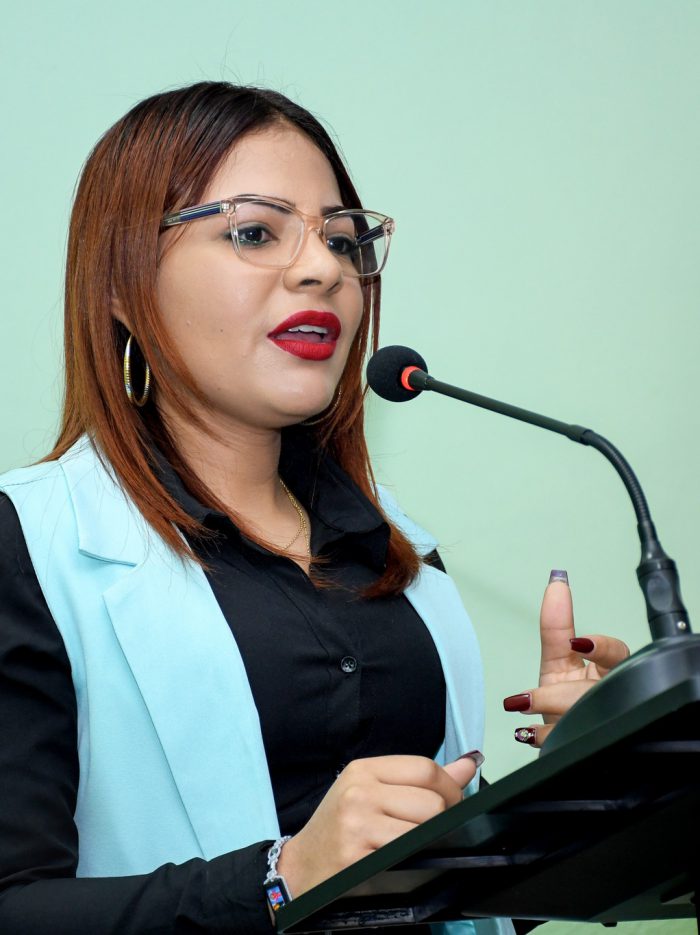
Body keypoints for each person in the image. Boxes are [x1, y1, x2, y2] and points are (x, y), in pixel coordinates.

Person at [0, 82, 628, 934]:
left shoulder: (398, 548)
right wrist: (280, 878)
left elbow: (448, 892)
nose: (324, 269)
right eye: (255, 231)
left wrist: (582, 782)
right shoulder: (29, 543)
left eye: (340, 238)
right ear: (121, 283)